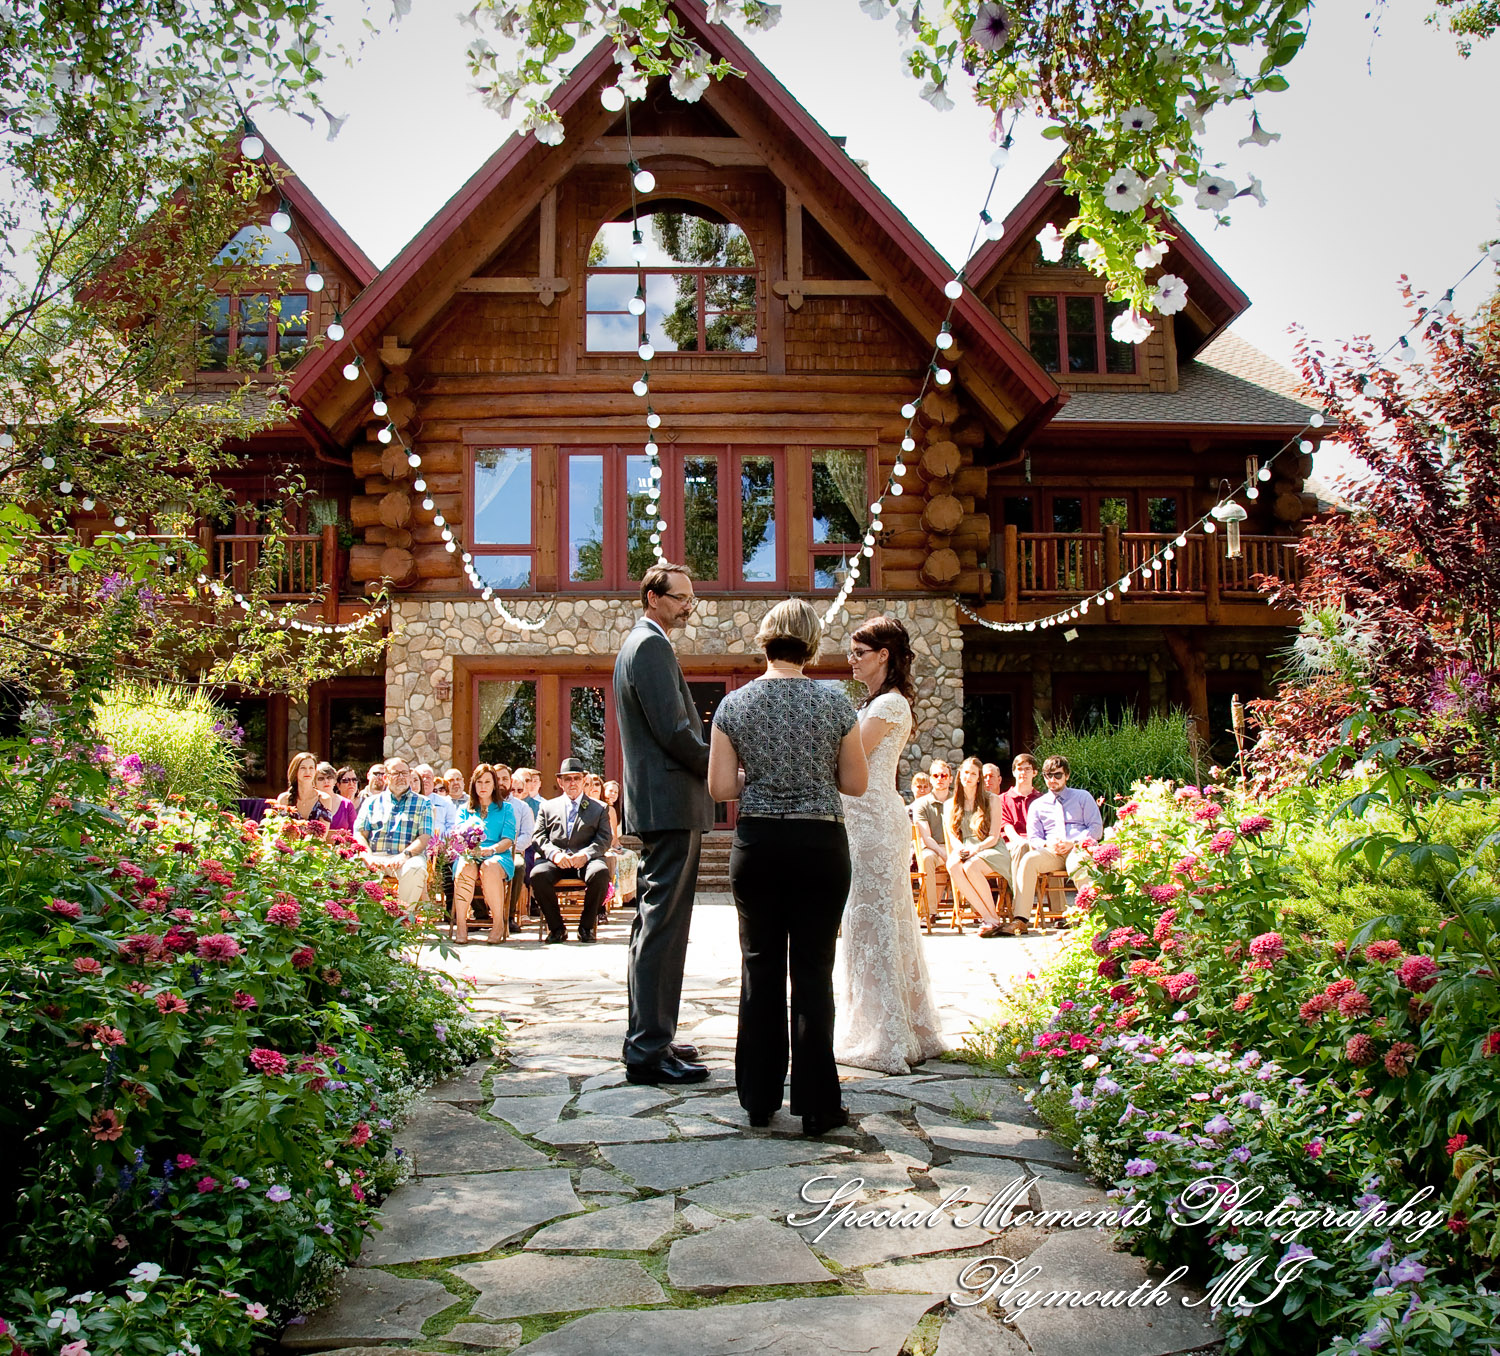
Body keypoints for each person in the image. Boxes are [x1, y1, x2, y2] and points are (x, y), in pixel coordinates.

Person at [709, 598, 868, 1135]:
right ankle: (819, 1106)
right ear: (811, 643)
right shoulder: (836, 703)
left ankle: (758, 1098)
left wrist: (763, 773)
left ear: (765, 640)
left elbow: (721, 789)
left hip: (758, 845)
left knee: (760, 970)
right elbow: (855, 783)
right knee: (813, 973)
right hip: (820, 843)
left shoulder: (734, 706)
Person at [613, 561, 713, 1087]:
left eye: (690, 599)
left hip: (663, 802)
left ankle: (650, 1034)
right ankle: (648, 1052)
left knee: (653, 926)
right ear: (653, 597)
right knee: (662, 929)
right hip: (669, 802)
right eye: (681, 598)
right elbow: (675, 731)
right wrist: (721, 767)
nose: (687, 607)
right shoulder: (648, 646)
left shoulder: (643, 642)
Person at [833, 616, 946, 1075]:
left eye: (859, 652)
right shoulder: (876, 702)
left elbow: (851, 757)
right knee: (874, 922)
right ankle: (902, 1027)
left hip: (875, 824)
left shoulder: (892, 706)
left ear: (884, 655)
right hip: (861, 821)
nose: (852, 660)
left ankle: (885, 1035)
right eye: (851, 652)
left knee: (874, 923)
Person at [529, 758, 613, 943]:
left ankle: (586, 926)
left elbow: (604, 838)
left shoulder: (599, 808)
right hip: (556, 860)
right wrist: (554, 854)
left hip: (586, 859)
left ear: (584, 780)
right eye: (568, 779)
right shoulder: (547, 806)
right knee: (537, 874)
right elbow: (538, 837)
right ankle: (557, 928)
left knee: (601, 873)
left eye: (576, 778)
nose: (572, 782)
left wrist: (586, 854)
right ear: (560, 782)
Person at [1015, 755, 1104, 921]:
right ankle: (1020, 919)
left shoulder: (1082, 797)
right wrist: (1049, 844)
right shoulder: (1038, 805)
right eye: (1048, 776)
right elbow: (1034, 837)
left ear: (1067, 775)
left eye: (1057, 775)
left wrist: (1074, 843)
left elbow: (1096, 829)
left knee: (1078, 863)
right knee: (1028, 859)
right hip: (1052, 852)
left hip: (1078, 848)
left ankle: (1095, 916)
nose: (1052, 780)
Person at [944, 756, 1013, 936]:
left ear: (979, 778)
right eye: (965, 772)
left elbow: (994, 836)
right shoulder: (950, 804)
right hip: (965, 847)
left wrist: (976, 849)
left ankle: (992, 919)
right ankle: (989, 917)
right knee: (952, 865)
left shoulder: (992, 800)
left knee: (971, 866)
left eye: (973, 774)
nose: (968, 777)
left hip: (989, 847)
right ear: (959, 775)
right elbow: (952, 835)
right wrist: (960, 849)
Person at [352, 757, 432, 909]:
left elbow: (424, 837)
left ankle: (402, 919)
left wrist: (405, 855)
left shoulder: (423, 803)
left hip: (406, 857)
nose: (401, 777)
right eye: (396, 773)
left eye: (405, 773)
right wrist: (367, 856)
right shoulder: (371, 802)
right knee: (349, 868)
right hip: (374, 856)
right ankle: (362, 920)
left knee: (415, 869)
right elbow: (359, 834)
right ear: (386, 777)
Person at [453, 763, 517, 945]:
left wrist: (492, 849)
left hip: (497, 853)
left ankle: (498, 924)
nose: (483, 786)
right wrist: (468, 849)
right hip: (469, 853)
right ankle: (461, 925)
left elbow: (508, 840)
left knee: (489, 867)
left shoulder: (506, 809)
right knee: (465, 867)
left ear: (494, 784)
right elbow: (458, 837)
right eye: (479, 782)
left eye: (487, 782)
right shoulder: (465, 809)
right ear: (473, 785)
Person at [997, 753, 1042, 888]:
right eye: (1019, 769)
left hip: (1037, 842)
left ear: (1035, 773)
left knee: (1052, 850)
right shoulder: (1002, 799)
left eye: (1027, 769)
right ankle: (1019, 900)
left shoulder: (1043, 799)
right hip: (1012, 844)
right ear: (1014, 772)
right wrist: (1023, 842)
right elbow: (1007, 828)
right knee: (1021, 846)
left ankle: (1060, 907)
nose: (1023, 772)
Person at [908, 769, 947, 924]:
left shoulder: (942, 805)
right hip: (915, 848)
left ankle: (933, 908)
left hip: (936, 846)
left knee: (941, 868)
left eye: (925, 786)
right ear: (912, 788)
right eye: (919, 787)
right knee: (927, 859)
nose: (922, 790)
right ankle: (928, 911)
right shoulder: (910, 809)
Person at [503, 764, 536, 931]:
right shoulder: (482, 803)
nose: (501, 783)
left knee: (518, 866)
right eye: (498, 779)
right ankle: (480, 913)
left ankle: (508, 916)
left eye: (504, 779)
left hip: (513, 851)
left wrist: (512, 848)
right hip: (486, 852)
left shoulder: (522, 807)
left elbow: (527, 835)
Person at [274, 752, 332, 834]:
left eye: (311, 768)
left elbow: (323, 834)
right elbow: (280, 831)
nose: (307, 771)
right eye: (303, 768)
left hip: (315, 845)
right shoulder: (284, 799)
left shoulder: (324, 799)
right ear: (295, 771)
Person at [603, 778, 640, 905]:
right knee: (629, 857)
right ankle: (626, 897)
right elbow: (610, 835)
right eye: (611, 791)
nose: (613, 794)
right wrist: (612, 847)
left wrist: (618, 846)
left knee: (631, 856)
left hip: (613, 846)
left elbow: (616, 837)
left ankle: (628, 896)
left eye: (616, 792)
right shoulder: (604, 809)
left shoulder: (615, 810)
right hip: (605, 848)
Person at [315, 761, 357, 833]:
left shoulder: (347, 804)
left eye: (329, 777)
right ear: (314, 783)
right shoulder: (310, 803)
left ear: (335, 781)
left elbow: (355, 832)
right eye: (321, 778)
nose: (326, 781)